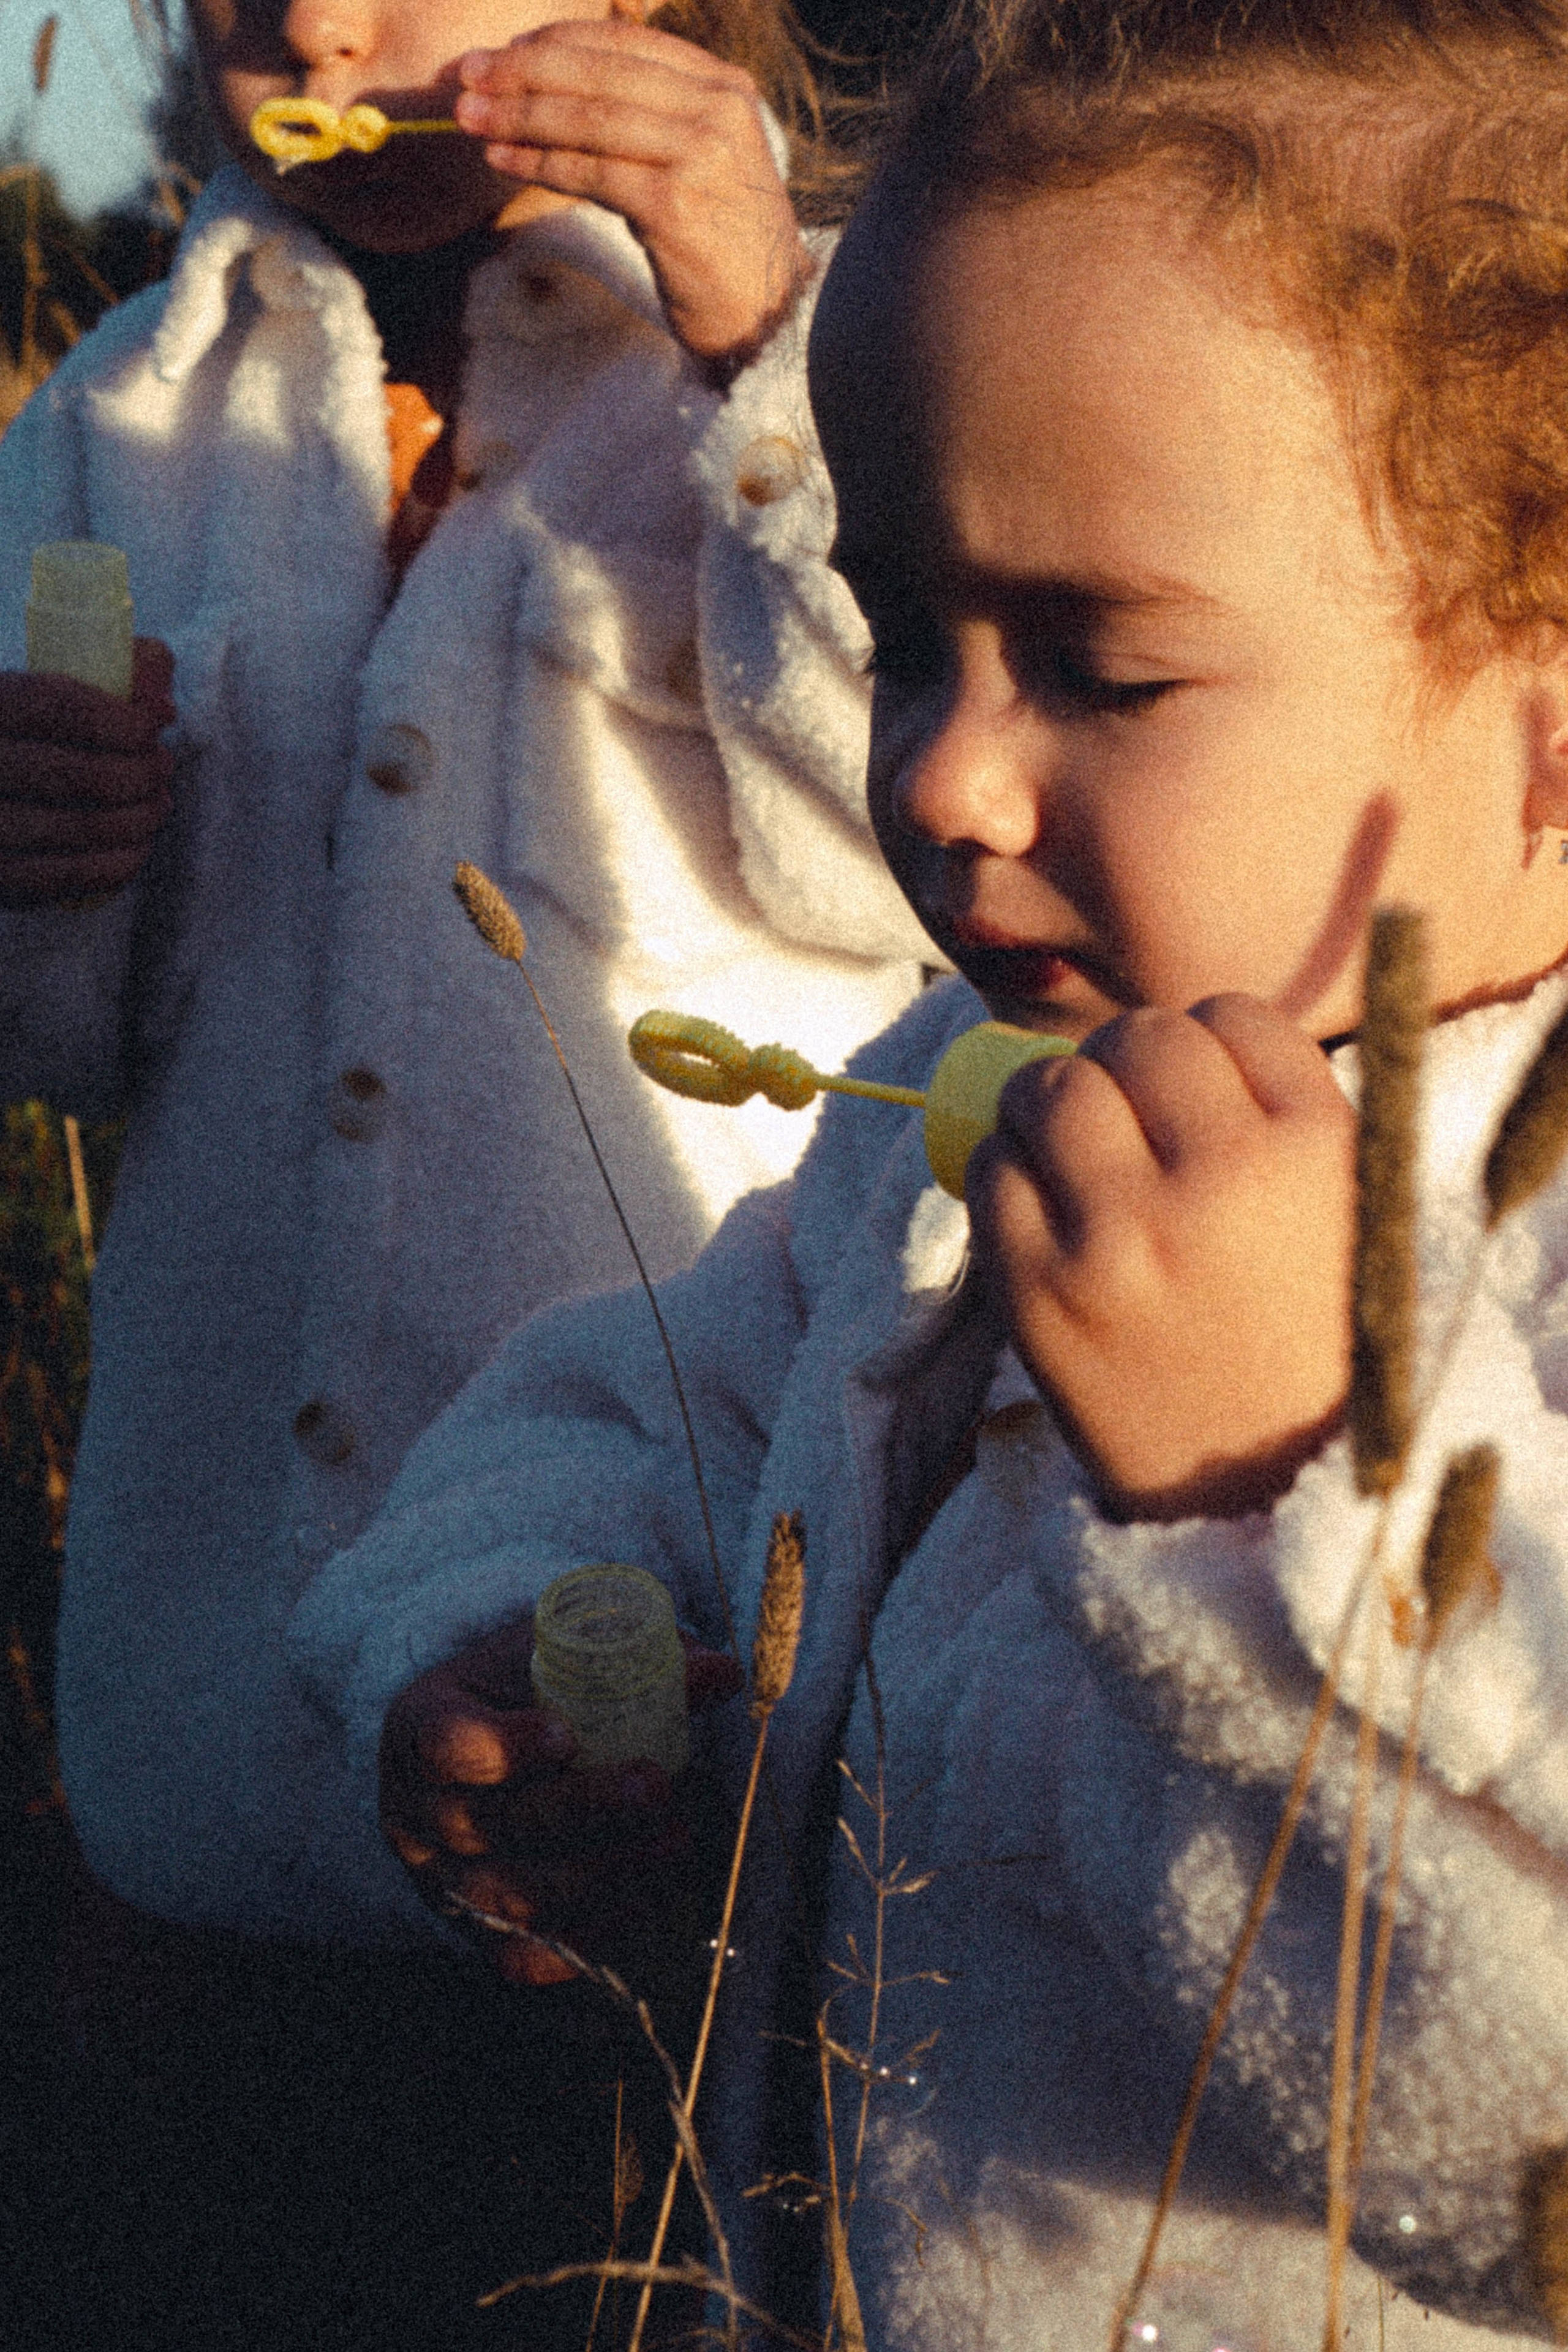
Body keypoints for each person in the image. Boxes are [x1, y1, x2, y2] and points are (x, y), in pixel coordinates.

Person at [295, 0, 1568, 2342]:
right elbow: (630, 1406)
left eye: (1100, 663)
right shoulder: (947, 1103)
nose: (948, 780)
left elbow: (1525, 2158)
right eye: (904, 640)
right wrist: (512, 1640)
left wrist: (1272, 1491)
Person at [0, 0, 931, 1957]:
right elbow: (69, 1050)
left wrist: (767, 354)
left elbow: (918, 859)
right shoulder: (115, 410)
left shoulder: (862, 338)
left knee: (642, 2169)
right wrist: (38, 878)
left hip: (662, 1621)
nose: (323, 24)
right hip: (216, 1737)